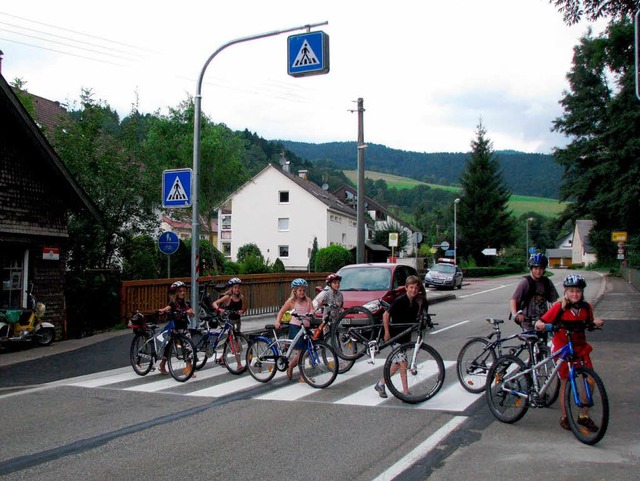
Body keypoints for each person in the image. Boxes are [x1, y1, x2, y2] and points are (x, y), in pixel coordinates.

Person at [535, 274, 604, 431]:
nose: (575, 294)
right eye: (571, 291)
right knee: (565, 382)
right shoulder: (559, 307)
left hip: (580, 347)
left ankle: (583, 415)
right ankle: (565, 417)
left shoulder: (586, 308)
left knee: (590, 380)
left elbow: (589, 324)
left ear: (582, 292)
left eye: (578, 291)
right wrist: (541, 325)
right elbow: (542, 321)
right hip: (562, 347)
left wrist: (595, 323)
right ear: (566, 292)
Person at [374, 275, 427, 398]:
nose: (413, 290)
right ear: (407, 288)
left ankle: (381, 383)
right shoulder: (400, 300)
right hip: (395, 336)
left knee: (398, 363)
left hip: (404, 337)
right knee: (403, 362)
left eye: (416, 288)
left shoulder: (414, 303)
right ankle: (405, 391)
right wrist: (386, 333)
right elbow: (386, 315)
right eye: (411, 287)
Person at [275, 278, 315, 381]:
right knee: (301, 353)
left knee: (305, 351)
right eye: (299, 290)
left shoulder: (308, 300)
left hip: (305, 328)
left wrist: (311, 313)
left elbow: (312, 309)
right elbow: (281, 311)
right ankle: (302, 376)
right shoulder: (291, 302)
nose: (302, 292)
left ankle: (291, 366)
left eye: (303, 290)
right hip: (296, 328)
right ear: (295, 291)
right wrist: (278, 321)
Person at [510, 253, 559, 331]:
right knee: (530, 342)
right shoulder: (526, 282)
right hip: (528, 322)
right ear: (531, 269)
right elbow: (514, 300)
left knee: (545, 342)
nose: (538, 271)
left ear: (544, 269)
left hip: (543, 322)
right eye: (535, 268)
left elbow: (554, 302)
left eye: (541, 268)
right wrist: (516, 314)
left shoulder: (547, 282)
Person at [157, 281, 195, 376]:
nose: (182, 293)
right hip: (175, 328)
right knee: (169, 346)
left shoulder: (186, 303)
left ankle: (188, 369)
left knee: (188, 347)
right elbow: (168, 307)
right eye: (180, 291)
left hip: (184, 328)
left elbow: (191, 311)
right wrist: (163, 310)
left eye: (183, 291)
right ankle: (162, 364)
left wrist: (191, 312)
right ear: (176, 293)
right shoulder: (173, 303)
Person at [212, 277, 246, 367]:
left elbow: (244, 309)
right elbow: (215, 303)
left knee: (231, 339)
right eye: (235, 287)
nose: (237, 289)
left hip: (238, 322)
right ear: (231, 288)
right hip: (230, 322)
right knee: (235, 342)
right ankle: (239, 364)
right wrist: (220, 309)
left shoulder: (241, 297)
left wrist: (242, 311)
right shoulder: (228, 297)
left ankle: (222, 358)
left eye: (238, 287)